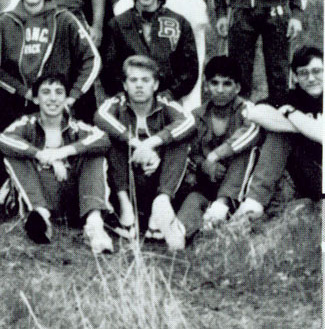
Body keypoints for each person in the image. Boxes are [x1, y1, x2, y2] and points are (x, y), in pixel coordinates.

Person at [0, 73, 113, 254]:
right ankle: (41, 216)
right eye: (46, 92)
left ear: (67, 98)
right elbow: (4, 139)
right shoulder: (27, 124)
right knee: (15, 154)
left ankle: (94, 225)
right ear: (36, 99)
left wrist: (62, 152)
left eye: (59, 92)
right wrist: (42, 155)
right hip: (43, 193)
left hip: (75, 198)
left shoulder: (76, 127)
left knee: (94, 154)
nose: (53, 98)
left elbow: (103, 139)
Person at [94, 55, 196, 250]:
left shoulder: (165, 104)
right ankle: (126, 212)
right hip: (125, 179)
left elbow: (189, 122)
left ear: (155, 84)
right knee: (110, 138)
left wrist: (151, 144)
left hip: (160, 180)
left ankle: (160, 210)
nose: (139, 86)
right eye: (133, 80)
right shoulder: (116, 103)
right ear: (124, 84)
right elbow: (100, 116)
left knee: (179, 141)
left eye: (145, 80)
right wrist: (135, 143)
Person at [0, 0, 100, 131]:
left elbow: (92, 58)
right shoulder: (4, 23)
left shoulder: (64, 19)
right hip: (21, 105)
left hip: (60, 103)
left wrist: (72, 96)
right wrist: (23, 91)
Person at [232, 46, 323, 223]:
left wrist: (292, 115)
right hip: (304, 173)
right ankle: (253, 204)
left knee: (279, 128)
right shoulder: (292, 98)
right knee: (278, 134)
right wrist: (299, 125)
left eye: (317, 71)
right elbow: (254, 112)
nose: (311, 78)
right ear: (295, 77)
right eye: (303, 73)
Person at [174, 57, 261, 238]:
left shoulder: (248, 109)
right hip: (208, 183)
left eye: (227, 84)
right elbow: (192, 152)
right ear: (206, 85)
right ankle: (194, 230)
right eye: (214, 83)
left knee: (244, 151)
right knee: (187, 215)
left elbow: (251, 133)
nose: (220, 90)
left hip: (239, 184)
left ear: (237, 87)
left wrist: (215, 155)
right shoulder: (196, 115)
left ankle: (222, 206)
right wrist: (205, 165)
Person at [101, 0, 198, 101]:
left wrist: (171, 93)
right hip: (128, 101)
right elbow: (109, 70)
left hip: (167, 99)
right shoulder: (117, 24)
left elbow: (190, 70)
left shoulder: (179, 23)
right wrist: (126, 93)